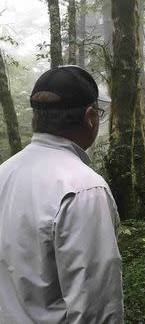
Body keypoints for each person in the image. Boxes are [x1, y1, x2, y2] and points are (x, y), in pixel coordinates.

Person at [0, 65, 123, 324]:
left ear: (36, 118)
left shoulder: (4, 173)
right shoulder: (84, 189)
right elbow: (97, 310)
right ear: (89, 117)